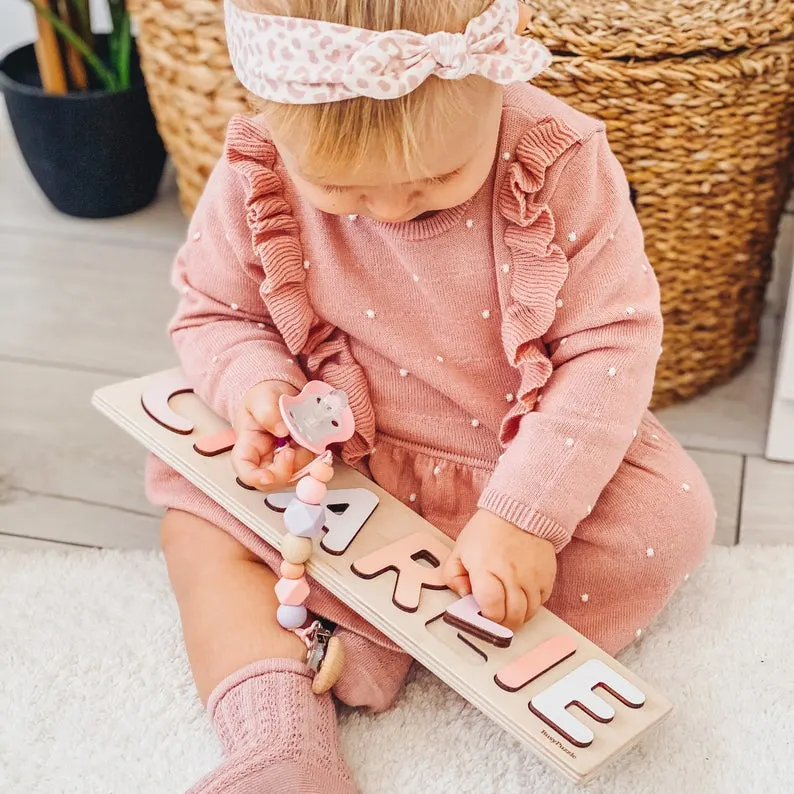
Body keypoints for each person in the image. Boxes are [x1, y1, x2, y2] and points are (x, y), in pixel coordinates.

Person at [146, 1, 715, 790]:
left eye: (438, 181)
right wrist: (260, 387)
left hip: (507, 460)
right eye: (342, 189)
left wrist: (526, 516)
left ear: (492, 78)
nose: (388, 210)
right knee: (195, 519)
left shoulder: (557, 159)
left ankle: (383, 635)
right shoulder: (260, 169)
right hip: (343, 471)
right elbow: (215, 312)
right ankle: (280, 743)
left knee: (670, 516)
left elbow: (610, 347)